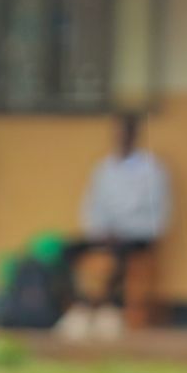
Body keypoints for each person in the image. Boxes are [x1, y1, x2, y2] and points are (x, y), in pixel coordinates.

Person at [57, 113, 169, 339]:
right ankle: (80, 306)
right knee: (68, 249)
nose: (122, 139)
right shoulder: (105, 169)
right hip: (105, 233)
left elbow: (160, 215)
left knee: (119, 255)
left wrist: (128, 231)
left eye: (126, 134)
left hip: (137, 235)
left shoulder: (151, 170)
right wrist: (100, 232)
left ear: (135, 136)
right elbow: (92, 206)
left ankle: (110, 308)